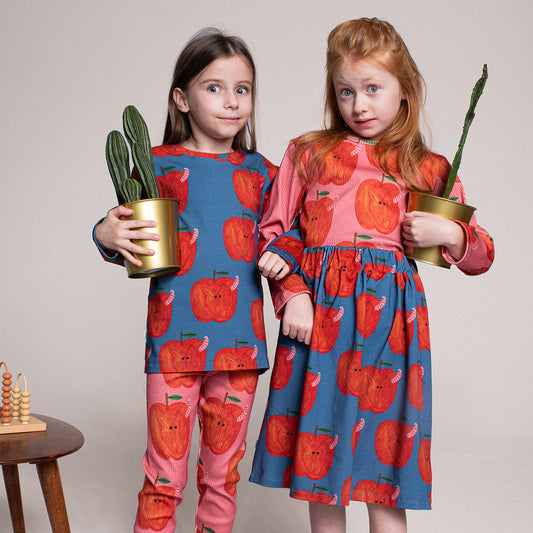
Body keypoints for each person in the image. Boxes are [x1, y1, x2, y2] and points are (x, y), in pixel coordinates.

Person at [249, 17, 494, 533]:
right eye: (346, 92)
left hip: (390, 330)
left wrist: (449, 233)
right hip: (319, 323)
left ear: (404, 89)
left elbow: (480, 255)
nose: (358, 105)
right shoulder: (308, 152)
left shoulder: (427, 167)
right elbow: (273, 234)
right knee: (320, 461)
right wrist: (292, 295)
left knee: (383, 468)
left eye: (372, 89)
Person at [93, 28, 277, 533]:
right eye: (214, 87)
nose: (231, 101)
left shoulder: (265, 173)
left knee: (222, 479)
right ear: (182, 98)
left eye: (242, 89)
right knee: (163, 477)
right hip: (172, 346)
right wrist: (104, 233)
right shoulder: (156, 165)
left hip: (241, 350)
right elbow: (125, 233)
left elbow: (292, 239)